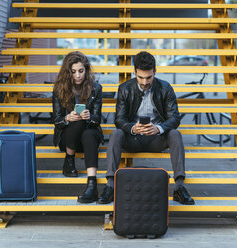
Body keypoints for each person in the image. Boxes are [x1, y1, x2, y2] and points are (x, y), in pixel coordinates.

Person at [98, 51, 194, 205]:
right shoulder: (125, 88)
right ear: (134, 72)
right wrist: (132, 128)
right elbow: (119, 119)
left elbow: (174, 118)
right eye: (140, 77)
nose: (144, 82)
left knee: (175, 134)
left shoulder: (165, 88)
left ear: (155, 72)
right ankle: (110, 187)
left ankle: (179, 187)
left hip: (156, 138)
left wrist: (158, 128)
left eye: (149, 77)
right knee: (116, 134)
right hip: (133, 138)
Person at [52, 51, 103, 203]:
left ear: (86, 70)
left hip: (88, 138)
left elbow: (97, 119)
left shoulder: (96, 88)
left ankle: (91, 183)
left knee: (88, 132)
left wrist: (90, 117)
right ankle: (69, 159)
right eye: (73, 72)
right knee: (77, 120)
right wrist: (67, 118)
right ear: (68, 73)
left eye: (81, 71)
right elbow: (56, 119)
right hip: (68, 137)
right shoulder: (59, 89)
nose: (78, 75)